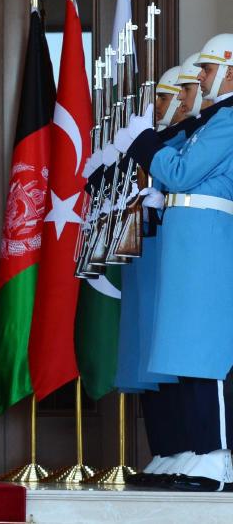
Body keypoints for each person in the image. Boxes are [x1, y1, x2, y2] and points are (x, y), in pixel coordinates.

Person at [121, 33, 233, 491]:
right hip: (191, 237)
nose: (200, 78)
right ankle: (200, 450)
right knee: (186, 348)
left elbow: (183, 171)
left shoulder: (227, 118)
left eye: (207, 69)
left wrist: (145, 144)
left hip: (207, 238)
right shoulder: (213, 121)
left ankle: (218, 454)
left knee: (204, 350)